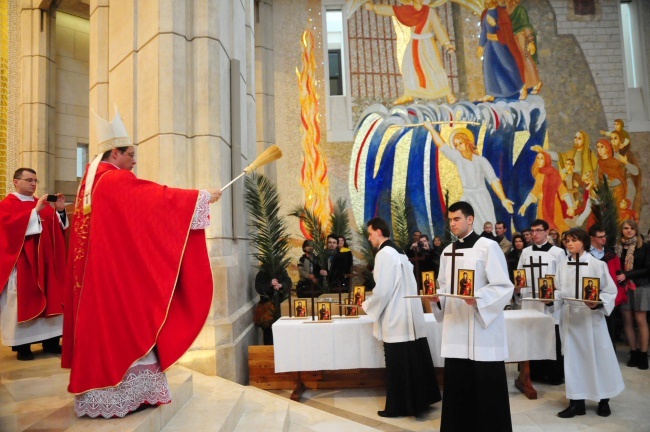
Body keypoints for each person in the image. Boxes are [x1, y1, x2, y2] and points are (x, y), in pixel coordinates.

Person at [62, 108, 222, 418]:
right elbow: (155, 200)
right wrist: (199, 197)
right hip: (116, 277)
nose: (134, 161)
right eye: (131, 154)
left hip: (106, 272)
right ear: (116, 152)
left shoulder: (92, 183)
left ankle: (121, 394)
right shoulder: (113, 181)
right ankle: (126, 395)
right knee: (130, 324)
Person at [431, 201, 513, 431]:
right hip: (456, 327)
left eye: (457, 219)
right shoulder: (448, 251)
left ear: (470, 219)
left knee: (486, 386)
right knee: (459, 385)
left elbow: (503, 286)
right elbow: (444, 286)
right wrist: (437, 300)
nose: (453, 224)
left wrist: (479, 298)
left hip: (481, 329)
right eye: (450, 220)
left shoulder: (488, 246)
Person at [363, 217, 441, 417]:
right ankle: (419, 402)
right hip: (409, 316)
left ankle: (399, 406)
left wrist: (366, 305)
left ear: (379, 232)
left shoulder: (384, 254)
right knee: (412, 360)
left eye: (370, 233)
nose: (369, 238)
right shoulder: (399, 252)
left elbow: (382, 291)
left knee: (399, 364)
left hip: (396, 317)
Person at [553, 228, 624, 418]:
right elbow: (559, 290)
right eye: (566, 240)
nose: (569, 244)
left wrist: (596, 303)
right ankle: (577, 403)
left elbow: (610, 292)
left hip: (591, 319)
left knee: (599, 358)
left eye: (573, 240)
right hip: (570, 319)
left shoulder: (597, 265)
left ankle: (604, 400)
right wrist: (551, 298)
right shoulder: (562, 264)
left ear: (583, 242)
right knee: (573, 362)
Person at [0, 168, 68, 361]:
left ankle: (52, 341)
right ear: (16, 182)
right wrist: (33, 213)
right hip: (23, 265)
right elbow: (6, 229)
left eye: (35, 181)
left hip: (45, 264)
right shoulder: (6, 205)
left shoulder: (42, 205)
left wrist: (60, 211)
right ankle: (23, 346)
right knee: (22, 301)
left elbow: (57, 231)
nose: (33, 184)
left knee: (51, 297)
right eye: (29, 180)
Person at [424, 123, 514, 232]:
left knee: (486, 224)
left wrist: (504, 199)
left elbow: (493, 180)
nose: (458, 147)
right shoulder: (458, 158)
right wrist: (430, 129)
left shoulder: (481, 161)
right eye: (456, 145)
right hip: (468, 197)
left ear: (467, 141)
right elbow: (441, 145)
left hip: (482, 197)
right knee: (466, 224)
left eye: (460, 143)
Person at [364, 0, 457, 105]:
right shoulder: (408, 10)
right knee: (408, 67)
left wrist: (447, 43)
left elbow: (438, 27)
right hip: (414, 43)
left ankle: (448, 93)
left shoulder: (429, 12)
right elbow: (393, 10)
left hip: (427, 44)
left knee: (435, 67)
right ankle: (409, 93)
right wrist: (374, 7)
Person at [516, 219, 566, 384]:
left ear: (546, 232)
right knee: (531, 334)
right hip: (530, 299)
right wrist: (518, 288)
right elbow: (520, 274)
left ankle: (553, 374)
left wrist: (555, 296)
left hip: (549, 301)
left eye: (538, 230)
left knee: (550, 333)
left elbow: (562, 278)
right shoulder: (525, 252)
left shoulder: (557, 252)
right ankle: (533, 373)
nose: (535, 234)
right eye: (532, 230)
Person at [615, 219, 650, 370]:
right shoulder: (617, 247)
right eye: (625, 228)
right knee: (627, 320)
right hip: (624, 288)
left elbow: (648, 269)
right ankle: (634, 352)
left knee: (641, 320)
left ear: (636, 230)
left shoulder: (644, 246)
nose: (629, 231)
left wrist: (627, 275)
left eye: (632, 228)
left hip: (641, 286)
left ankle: (643, 354)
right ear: (621, 230)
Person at [477, 0, 525, 101]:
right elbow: (484, 31)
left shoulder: (501, 13)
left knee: (508, 65)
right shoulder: (485, 13)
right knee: (489, 68)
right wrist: (481, 46)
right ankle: (491, 92)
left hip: (501, 44)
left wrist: (495, 24)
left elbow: (507, 30)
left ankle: (521, 87)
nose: (486, 1)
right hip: (490, 45)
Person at [518, 151, 574, 233]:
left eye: (542, 158)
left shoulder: (554, 173)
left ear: (546, 160)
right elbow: (535, 191)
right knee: (544, 229)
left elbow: (562, 189)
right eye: (537, 158)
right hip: (542, 206)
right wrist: (525, 205)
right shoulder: (539, 174)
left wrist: (570, 206)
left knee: (557, 229)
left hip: (554, 205)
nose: (539, 160)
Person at [504, 0, 542, 94]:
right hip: (513, 39)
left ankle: (536, 82)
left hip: (522, 37)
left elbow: (526, 25)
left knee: (526, 58)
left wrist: (530, 41)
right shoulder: (505, 11)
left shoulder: (520, 9)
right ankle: (528, 83)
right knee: (519, 61)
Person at [254, 269, 291, 345]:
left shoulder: (282, 271)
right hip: (267, 309)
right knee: (268, 335)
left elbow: (288, 282)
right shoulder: (262, 273)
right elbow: (259, 288)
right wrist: (270, 284)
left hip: (280, 307)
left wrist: (281, 285)